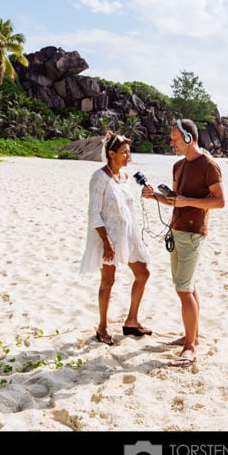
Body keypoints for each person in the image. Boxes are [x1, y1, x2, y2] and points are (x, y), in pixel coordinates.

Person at [141, 118, 225, 367]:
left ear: (189, 137)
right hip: (176, 231)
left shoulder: (209, 166)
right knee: (187, 285)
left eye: (175, 138)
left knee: (183, 289)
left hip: (193, 233)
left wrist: (187, 201)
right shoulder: (178, 166)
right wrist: (155, 196)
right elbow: (175, 199)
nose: (171, 142)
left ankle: (190, 347)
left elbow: (219, 201)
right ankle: (193, 336)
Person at [80, 131, 152, 345]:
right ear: (111, 154)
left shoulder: (125, 177)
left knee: (143, 273)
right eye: (123, 153)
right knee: (108, 281)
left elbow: (125, 207)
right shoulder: (99, 177)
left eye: (129, 153)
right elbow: (94, 212)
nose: (128, 157)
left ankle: (131, 321)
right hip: (108, 237)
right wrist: (106, 241)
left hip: (128, 236)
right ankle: (101, 327)